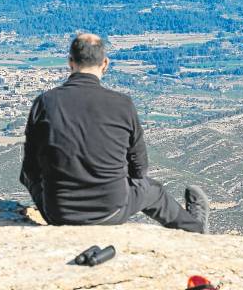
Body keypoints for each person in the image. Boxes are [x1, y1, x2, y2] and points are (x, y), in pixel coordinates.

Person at [20, 33, 210, 233]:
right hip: (111, 211)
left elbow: (30, 168)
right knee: (153, 190)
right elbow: (140, 169)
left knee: (29, 175)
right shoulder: (122, 104)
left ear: (70, 62)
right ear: (105, 63)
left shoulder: (45, 102)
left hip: (58, 214)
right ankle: (194, 229)